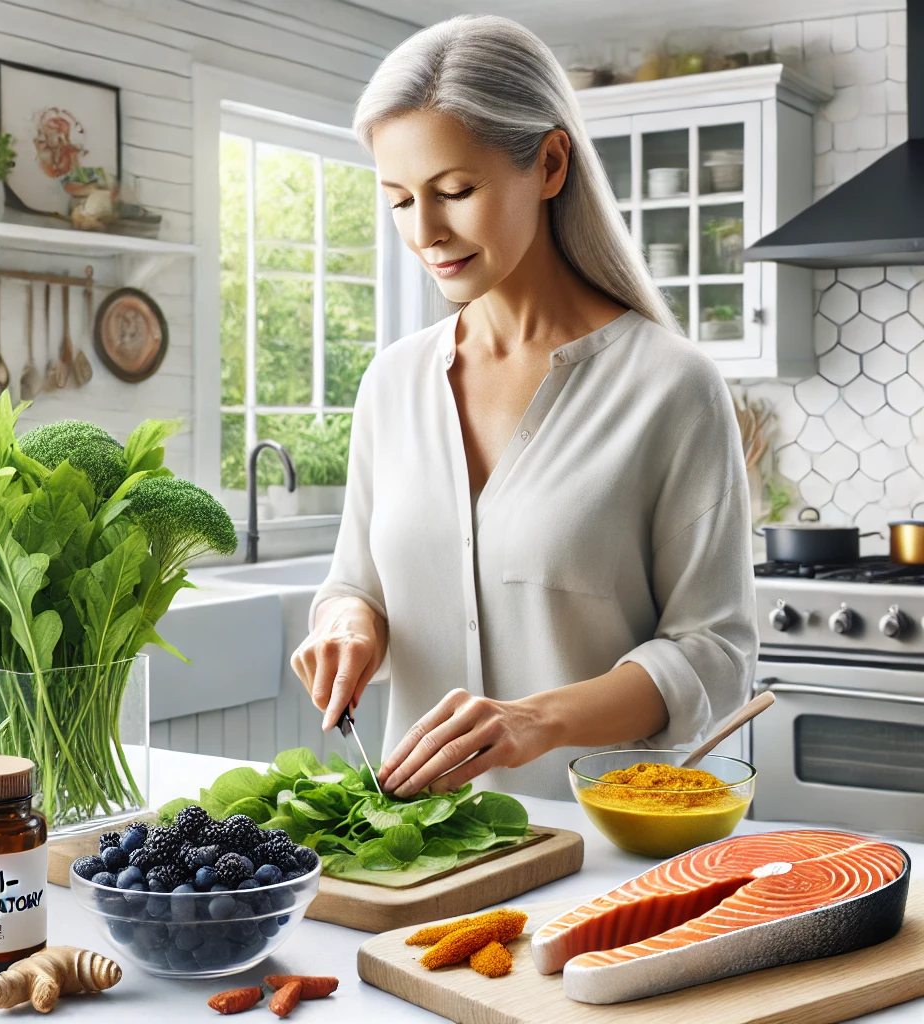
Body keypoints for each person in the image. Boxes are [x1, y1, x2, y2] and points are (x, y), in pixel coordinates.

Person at [290, 14, 758, 801]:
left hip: (607, 848)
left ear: (548, 163)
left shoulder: (672, 387)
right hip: (423, 846)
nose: (426, 232)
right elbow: (356, 583)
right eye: (400, 200)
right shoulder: (393, 383)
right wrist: (347, 623)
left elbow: (715, 656)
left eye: (455, 191)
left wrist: (537, 721)